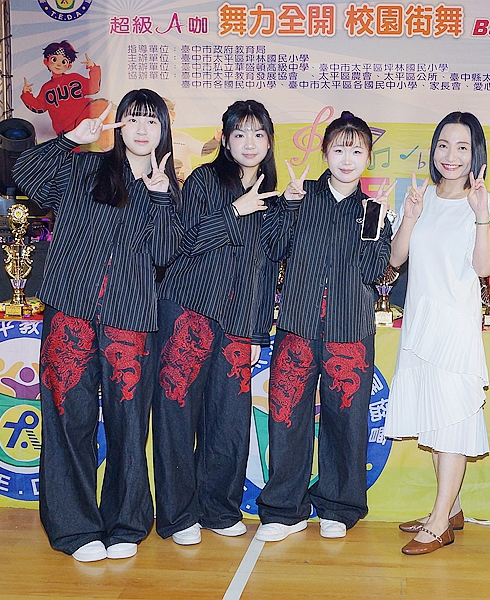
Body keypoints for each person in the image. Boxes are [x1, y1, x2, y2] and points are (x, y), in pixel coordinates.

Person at [12, 89, 182, 562]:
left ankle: (126, 523)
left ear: (164, 130)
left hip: (130, 319)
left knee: (129, 425)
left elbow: (166, 254)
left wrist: (162, 199)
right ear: (119, 124)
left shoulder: (168, 189)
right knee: (69, 418)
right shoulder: (83, 168)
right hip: (71, 310)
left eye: (152, 120)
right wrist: (71, 138)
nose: (142, 129)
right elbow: (22, 175)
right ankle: (74, 529)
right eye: (133, 118)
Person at [255, 111, 394, 542]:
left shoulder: (373, 210)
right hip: (297, 326)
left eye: (357, 151)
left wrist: (374, 227)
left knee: (346, 421)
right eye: (339, 149)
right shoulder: (301, 195)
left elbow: (375, 271)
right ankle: (285, 509)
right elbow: (272, 247)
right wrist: (289, 206)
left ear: (368, 158)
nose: (347, 159)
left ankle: (338, 505)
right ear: (324, 153)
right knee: (287, 417)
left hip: (349, 331)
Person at [152, 100, 279, 546]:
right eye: (240, 134)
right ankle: (176, 516)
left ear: (269, 142)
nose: (250, 143)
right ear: (225, 141)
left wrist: (258, 330)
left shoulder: (272, 194)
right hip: (188, 310)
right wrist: (234, 212)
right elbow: (183, 242)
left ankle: (219, 509)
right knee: (177, 413)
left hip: (238, 320)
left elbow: (266, 266)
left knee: (229, 419)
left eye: (258, 134)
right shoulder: (205, 179)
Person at [383, 112, 490, 556]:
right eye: (443, 145)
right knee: (434, 416)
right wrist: (410, 217)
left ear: (476, 154)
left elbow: (485, 268)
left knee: (452, 420)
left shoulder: (485, 203)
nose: (451, 156)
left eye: (462, 147)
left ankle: (439, 524)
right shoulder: (420, 197)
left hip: (455, 326)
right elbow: (396, 259)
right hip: (420, 323)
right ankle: (449, 509)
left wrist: (479, 214)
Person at [21, 40, 104, 137]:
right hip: (65, 130)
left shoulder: (75, 78)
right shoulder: (46, 88)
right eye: (54, 59)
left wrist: (93, 68)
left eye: (63, 61)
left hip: (85, 121)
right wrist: (26, 95)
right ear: (46, 62)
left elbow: (94, 88)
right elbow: (39, 107)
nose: (58, 64)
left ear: (69, 66)